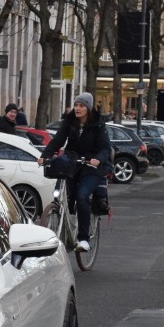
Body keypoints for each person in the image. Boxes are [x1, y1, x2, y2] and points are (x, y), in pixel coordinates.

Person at [40, 91, 111, 253]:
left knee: (82, 196)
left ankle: (83, 239)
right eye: (76, 105)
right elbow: (58, 139)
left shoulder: (98, 124)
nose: (77, 108)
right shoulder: (70, 121)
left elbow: (106, 147)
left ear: (88, 108)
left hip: (92, 166)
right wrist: (45, 156)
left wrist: (98, 159)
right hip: (73, 163)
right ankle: (64, 224)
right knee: (62, 194)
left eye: (81, 106)